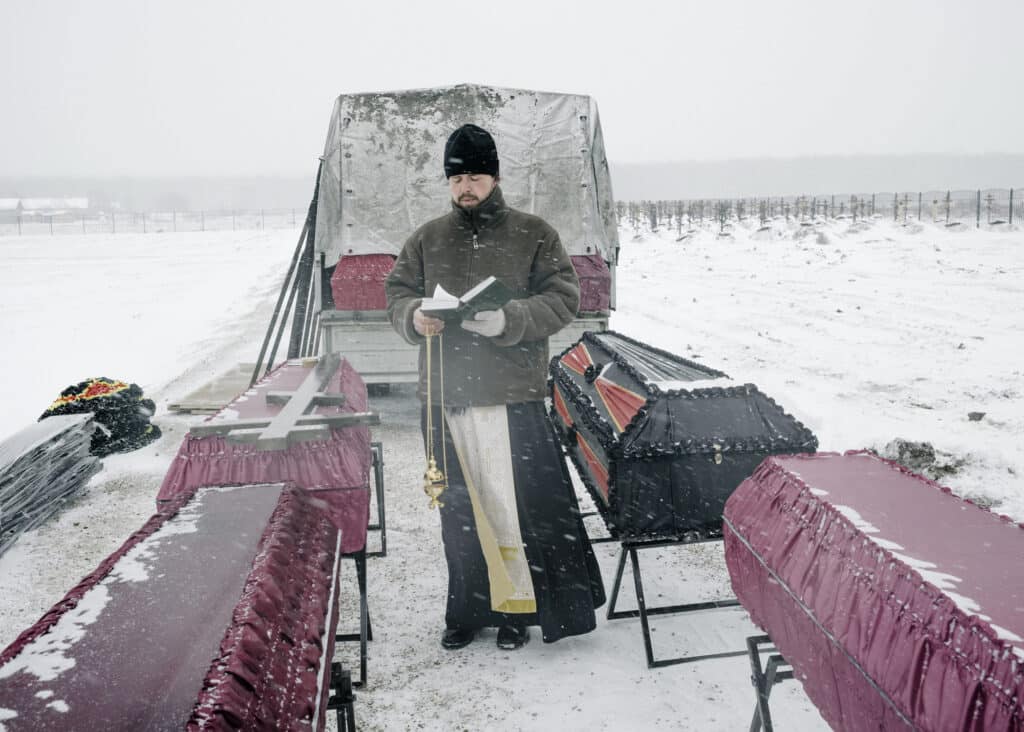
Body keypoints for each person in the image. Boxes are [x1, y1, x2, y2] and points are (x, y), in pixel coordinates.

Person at [385, 123, 605, 651]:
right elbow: (397, 294)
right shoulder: (427, 238)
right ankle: (467, 610)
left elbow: (563, 298)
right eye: (458, 177)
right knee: (460, 512)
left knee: (512, 509)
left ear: (496, 177)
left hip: (512, 396)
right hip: (446, 396)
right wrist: (415, 317)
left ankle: (517, 611)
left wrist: (510, 319)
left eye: (476, 175)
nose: (467, 186)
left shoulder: (534, 233)